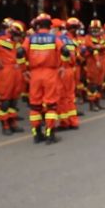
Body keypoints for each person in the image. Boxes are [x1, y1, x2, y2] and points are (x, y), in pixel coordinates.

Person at [19, 13, 67, 144]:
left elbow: (19, 53)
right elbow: (66, 51)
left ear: (37, 25)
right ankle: (50, 134)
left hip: (34, 75)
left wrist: (24, 70)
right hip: (50, 73)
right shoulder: (54, 38)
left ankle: (37, 134)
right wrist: (63, 66)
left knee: (35, 106)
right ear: (49, 25)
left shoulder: (30, 39)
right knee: (51, 105)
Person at [0, 20, 26, 135]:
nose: (18, 38)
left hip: (17, 71)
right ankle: (5, 125)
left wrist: (24, 71)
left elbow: (20, 57)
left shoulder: (17, 41)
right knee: (5, 100)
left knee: (14, 100)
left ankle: (13, 122)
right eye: (17, 35)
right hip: (5, 71)